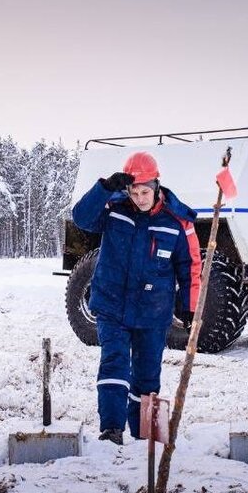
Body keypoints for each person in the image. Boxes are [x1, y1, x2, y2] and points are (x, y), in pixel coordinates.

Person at [72, 151, 202, 445]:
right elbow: (81, 218)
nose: (140, 198)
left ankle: (147, 436)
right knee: (114, 363)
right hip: (112, 305)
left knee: (147, 374)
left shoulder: (177, 221)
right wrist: (105, 187)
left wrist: (190, 306)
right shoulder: (115, 208)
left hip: (153, 311)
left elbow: (191, 266)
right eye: (134, 191)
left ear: (157, 186)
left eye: (145, 191)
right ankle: (111, 430)